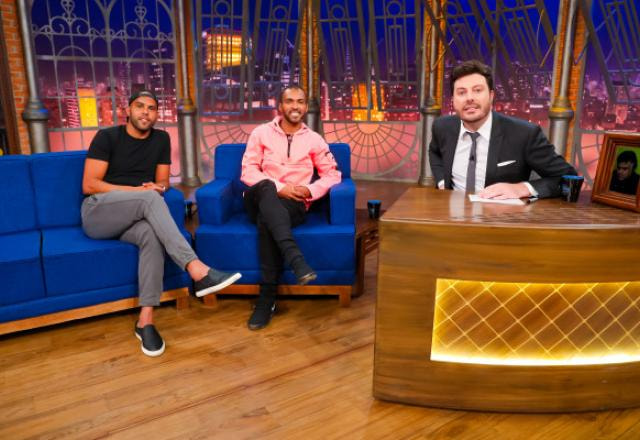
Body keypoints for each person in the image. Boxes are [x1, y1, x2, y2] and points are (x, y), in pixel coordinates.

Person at [81, 89, 241, 357]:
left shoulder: (161, 139)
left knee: (151, 236)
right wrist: (140, 193)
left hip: (137, 215)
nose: (146, 112)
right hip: (99, 213)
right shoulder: (107, 137)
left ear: (157, 114)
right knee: (149, 200)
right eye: (140, 106)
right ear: (127, 110)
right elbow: (90, 185)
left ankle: (145, 321)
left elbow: (164, 182)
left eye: (152, 108)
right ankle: (198, 270)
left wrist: (157, 187)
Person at [240, 85, 341, 330]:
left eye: (300, 102)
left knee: (269, 219)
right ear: (280, 106)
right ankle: (296, 260)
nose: (295, 106)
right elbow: (248, 171)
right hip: (257, 197)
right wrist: (279, 187)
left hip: (293, 205)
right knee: (265, 188)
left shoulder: (314, 139)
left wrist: (310, 191)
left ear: (306, 107)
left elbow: (333, 174)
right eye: (289, 101)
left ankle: (267, 299)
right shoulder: (261, 133)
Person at [429, 60, 577, 199]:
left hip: (498, 219)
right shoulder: (442, 127)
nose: (469, 98)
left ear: (491, 96)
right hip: (450, 216)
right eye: (461, 92)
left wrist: (522, 188)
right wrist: (442, 182)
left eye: (477, 90)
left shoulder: (524, 134)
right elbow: (435, 152)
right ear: (453, 100)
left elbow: (569, 178)